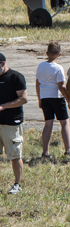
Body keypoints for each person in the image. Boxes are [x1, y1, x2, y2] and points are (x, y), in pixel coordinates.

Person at [34, 42, 69, 163]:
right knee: (64, 122)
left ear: (46, 53)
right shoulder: (58, 68)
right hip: (56, 97)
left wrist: (39, 99)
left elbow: (37, 83)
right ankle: (68, 149)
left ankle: (45, 151)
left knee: (48, 124)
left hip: (45, 97)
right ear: (60, 54)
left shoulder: (41, 66)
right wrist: (68, 99)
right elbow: (61, 86)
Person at [0, 53, 26, 194]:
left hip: (11, 123)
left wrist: (4, 106)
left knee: (15, 155)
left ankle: (17, 184)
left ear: (3, 63)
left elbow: (23, 99)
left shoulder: (16, 77)